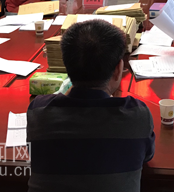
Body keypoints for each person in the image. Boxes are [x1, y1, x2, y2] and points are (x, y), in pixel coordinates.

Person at [26, 20, 155, 191]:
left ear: (66, 65)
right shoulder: (137, 114)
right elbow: (147, 155)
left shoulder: (39, 111)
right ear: (118, 69)